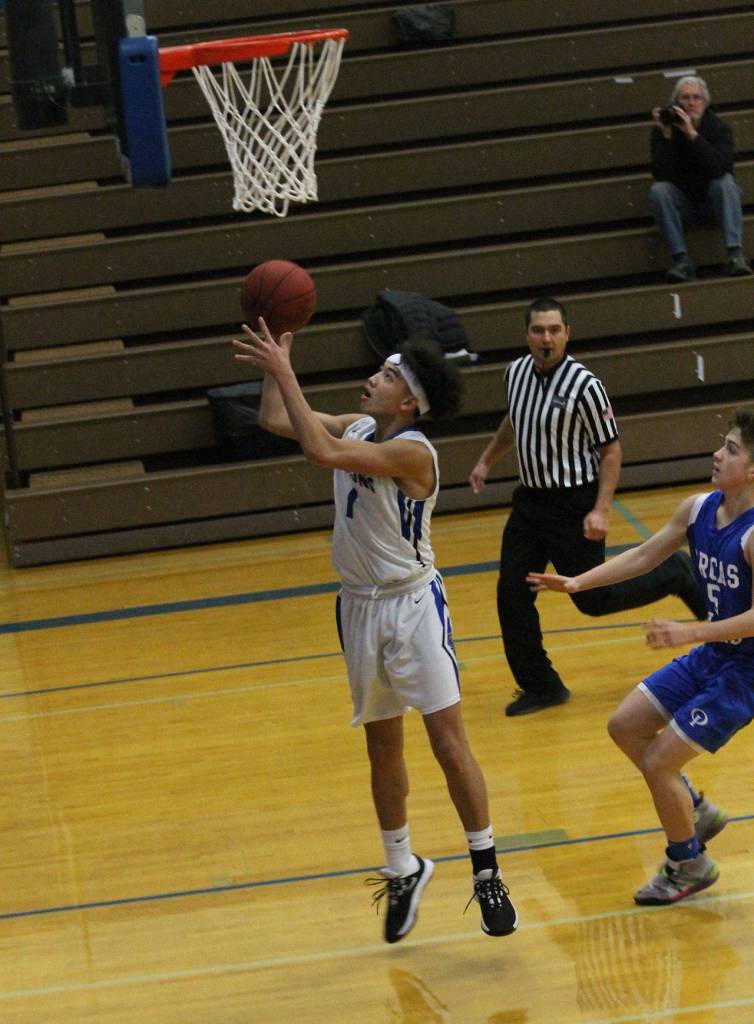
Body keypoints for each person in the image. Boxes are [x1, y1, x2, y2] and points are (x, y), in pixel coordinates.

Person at [232, 320, 517, 942]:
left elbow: (320, 453)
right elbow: (281, 420)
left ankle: (486, 867)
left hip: (412, 605)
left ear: (409, 401)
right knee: (381, 745)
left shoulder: (415, 452)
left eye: (387, 377)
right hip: (358, 606)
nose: (372, 380)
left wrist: (284, 371)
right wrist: (277, 355)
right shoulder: (361, 426)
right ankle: (401, 867)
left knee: (447, 741)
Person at [527, 410, 754, 905]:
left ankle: (687, 864)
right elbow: (648, 556)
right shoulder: (698, 509)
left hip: (745, 674)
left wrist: (689, 630)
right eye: (724, 444)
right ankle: (694, 808)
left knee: (657, 762)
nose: (718, 453)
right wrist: (578, 581)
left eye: (732, 449)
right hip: (714, 655)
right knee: (624, 725)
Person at [468, 297, 706, 718]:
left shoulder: (585, 386)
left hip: (573, 503)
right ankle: (541, 685)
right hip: (529, 503)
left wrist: (601, 509)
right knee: (511, 593)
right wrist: (487, 460)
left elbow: (611, 450)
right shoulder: (515, 374)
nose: (546, 338)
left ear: (567, 334)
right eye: (539, 330)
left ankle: (673, 572)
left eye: (554, 330)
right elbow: (514, 421)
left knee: (593, 600)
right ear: (527, 334)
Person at [649, 75, 752, 282]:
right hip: (683, 204)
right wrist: (668, 135)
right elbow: (662, 175)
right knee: (658, 190)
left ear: (705, 103)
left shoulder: (719, 129)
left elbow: (719, 168)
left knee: (726, 183)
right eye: (685, 98)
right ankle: (681, 260)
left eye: (697, 98)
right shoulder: (663, 131)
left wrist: (692, 135)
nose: (691, 103)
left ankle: (734, 254)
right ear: (675, 103)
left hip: (715, 204)